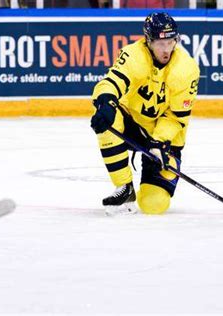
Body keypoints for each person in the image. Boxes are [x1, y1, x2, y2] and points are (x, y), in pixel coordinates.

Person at [90, 12, 200, 216]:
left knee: (154, 206)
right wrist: (104, 100)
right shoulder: (134, 56)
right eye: (160, 43)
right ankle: (125, 187)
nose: (166, 49)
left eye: (171, 41)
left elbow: (177, 117)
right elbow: (110, 82)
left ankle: (148, 188)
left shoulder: (187, 69)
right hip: (133, 122)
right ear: (148, 40)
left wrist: (158, 142)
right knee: (108, 118)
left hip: (165, 137)